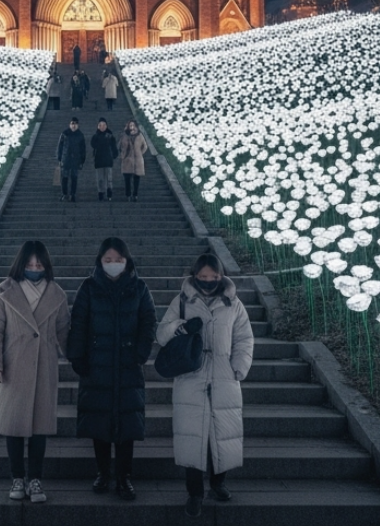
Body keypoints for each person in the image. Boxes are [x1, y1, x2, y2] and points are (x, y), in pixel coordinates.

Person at [156, 254, 254, 519]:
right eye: (203, 277)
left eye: (214, 277)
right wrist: (180, 327)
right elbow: (162, 332)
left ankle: (219, 483)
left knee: (223, 433)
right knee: (192, 436)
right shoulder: (182, 301)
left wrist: (238, 367)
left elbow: (244, 338)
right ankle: (194, 492)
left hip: (224, 375)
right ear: (195, 275)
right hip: (191, 374)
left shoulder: (233, 304)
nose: (209, 281)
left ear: (221, 277)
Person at [67, 237, 156, 501]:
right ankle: (103, 472)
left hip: (128, 364)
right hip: (98, 364)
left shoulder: (139, 288)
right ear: (100, 261)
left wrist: (141, 352)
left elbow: (148, 321)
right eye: (108, 260)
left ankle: (124, 477)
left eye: (118, 260)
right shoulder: (89, 287)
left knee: (127, 422)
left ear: (126, 261)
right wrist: (77, 356)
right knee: (99, 420)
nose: (114, 264)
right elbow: (78, 322)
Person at [0, 241, 71, 504]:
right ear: (21, 264)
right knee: (13, 426)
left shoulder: (57, 293)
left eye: (39, 264)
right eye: (30, 264)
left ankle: (35, 479)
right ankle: (17, 477)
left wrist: (78, 359)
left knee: (39, 427)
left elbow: (64, 332)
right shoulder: (4, 290)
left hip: (44, 365)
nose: (35, 268)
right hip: (13, 365)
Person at [56, 117, 86, 202]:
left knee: (74, 178)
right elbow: (60, 147)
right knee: (64, 178)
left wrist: (82, 160)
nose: (74, 125)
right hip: (66, 159)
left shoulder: (80, 135)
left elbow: (83, 149)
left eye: (75, 124)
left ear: (78, 125)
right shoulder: (64, 134)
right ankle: (64, 194)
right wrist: (59, 158)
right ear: (70, 124)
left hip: (76, 160)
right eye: (72, 123)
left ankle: (73, 194)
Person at [118, 120, 148, 201]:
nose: (132, 127)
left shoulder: (140, 136)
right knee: (127, 178)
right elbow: (119, 146)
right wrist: (122, 154)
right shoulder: (124, 135)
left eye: (133, 125)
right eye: (130, 125)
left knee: (136, 179)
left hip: (137, 160)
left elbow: (145, 146)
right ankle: (128, 194)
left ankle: (135, 194)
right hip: (127, 159)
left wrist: (140, 154)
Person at [89, 118, 119, 201]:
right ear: (98, 126)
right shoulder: (95, 136)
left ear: (106, 126)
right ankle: (101, 193)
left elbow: (114, 147)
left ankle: (109, 193)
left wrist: (114, 154)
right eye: (100, 125)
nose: (102, 127)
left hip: (108, 160)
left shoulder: (110, 136)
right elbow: (93, 144)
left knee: (109, 178)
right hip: (98, 160)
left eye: (104, 125)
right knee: (100, 179)